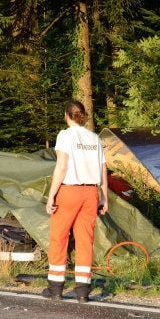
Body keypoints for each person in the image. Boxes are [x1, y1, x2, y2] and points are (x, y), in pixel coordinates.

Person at [43, 100, 108, 302]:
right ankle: (82, 291)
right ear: (82, 116)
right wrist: (104, 197)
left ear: (66, 115)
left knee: (59, 237)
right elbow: (103, 169)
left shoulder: (65, 136)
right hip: (90, 193)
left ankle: (55, 289)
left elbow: (62, 166)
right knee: (85, 241)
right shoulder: (94, 138)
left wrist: (52, 194)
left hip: (69, 191)